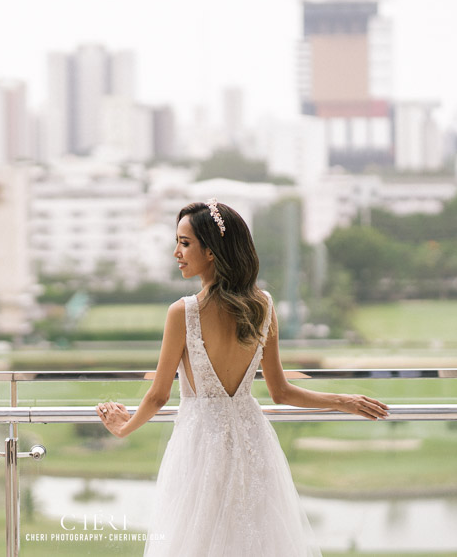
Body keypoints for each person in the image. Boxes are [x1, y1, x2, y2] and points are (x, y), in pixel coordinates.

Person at [97, 199, 389, 556]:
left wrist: (123, 427)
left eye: (185, 243)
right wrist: (343, 400)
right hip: (252, 442)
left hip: (198, 445)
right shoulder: (262, 306)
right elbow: (280, 392)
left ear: (212, 251)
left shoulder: (182, 312)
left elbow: (159, 395)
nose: (176, 252)